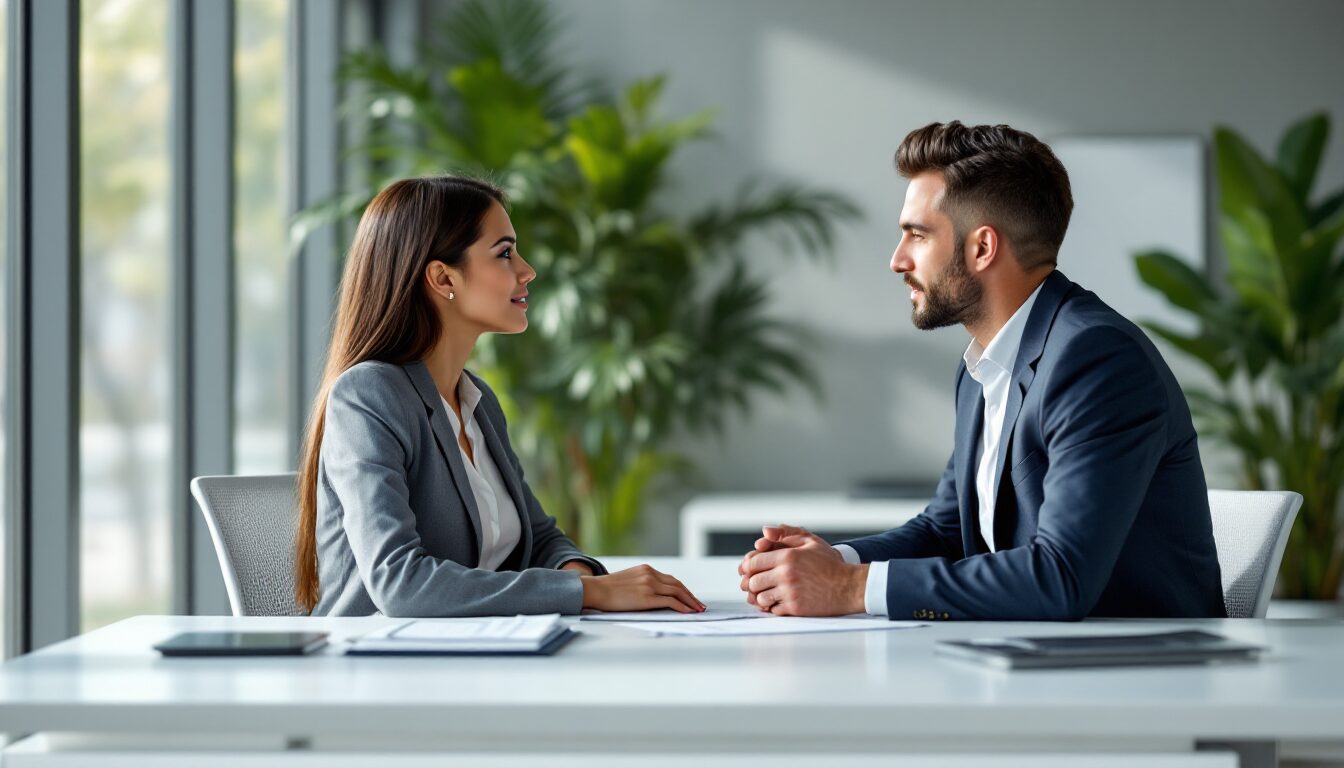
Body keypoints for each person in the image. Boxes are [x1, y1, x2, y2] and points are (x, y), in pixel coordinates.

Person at [740, 121, 1226, 621]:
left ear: (982, 248)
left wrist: (852, 588)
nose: (896, 259)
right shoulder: (986, 363)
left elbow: (1062, 577)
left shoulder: (1096, 359)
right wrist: (834, 561)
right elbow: (947, 530)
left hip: (1142, 675)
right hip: (1043, 660)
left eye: (916, 234)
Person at [296, 175, 704, 617]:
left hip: (474, 662)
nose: (527, 270)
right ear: (442, 277)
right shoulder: (369, 396)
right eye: (505, 254)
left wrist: (577, 575)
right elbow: (399, 583)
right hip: (376, 673)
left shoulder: (477, 401)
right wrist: (591, 594)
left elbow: (540, 537)